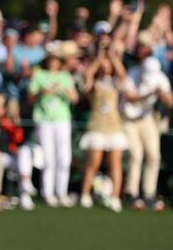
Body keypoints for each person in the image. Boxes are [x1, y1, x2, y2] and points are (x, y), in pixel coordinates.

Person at [121, 34, 173, 211]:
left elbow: (170, 102)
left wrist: (163, 95)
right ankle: (131, 192)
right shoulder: (133, 73)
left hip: (147, 118)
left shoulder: (160, 78)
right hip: (129, 119)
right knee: (136, 154)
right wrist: (150, 93)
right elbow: (130, 97)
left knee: (154, 155)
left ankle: (149, 193)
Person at [28, 45, 78, 207]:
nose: (53, 63)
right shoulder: (39, 75)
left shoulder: (65, 76)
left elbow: (74, 98)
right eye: (51, 60)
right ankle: (47, 192)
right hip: (44, 119)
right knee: (48, 157)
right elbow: (30, 97)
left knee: (64, 157)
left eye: (56, 60)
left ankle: (61, 192)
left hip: (62, 120)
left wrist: (62, 89)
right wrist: (43, 92)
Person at [78, 48, 127, 212]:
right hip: (97, 126)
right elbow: (87, 76)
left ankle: (115, 196)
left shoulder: (115, 83)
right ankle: (85, 194)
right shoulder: (94, 84)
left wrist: (112, 56)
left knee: (115, 164)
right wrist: (99, 58)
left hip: (114, 127)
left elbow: (121, 73)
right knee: (93, 163)